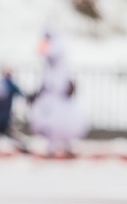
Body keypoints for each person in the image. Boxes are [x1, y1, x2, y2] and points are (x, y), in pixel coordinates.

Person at [29, 30, 87, 158]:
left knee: (60, 122)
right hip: (52, 100)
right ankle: (53, 148)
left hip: (59, 100)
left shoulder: (59, 58)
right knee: (51, 124)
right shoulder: (51, 65)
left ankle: (64, 147)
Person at [0, 66, 30, 156]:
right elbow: (21, 93)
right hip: (2, 116)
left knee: (2, 133)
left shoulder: (2, 84)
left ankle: (23, 148)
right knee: (1, 133)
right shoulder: (6, 84)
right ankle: (23, 148)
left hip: (2, 116)